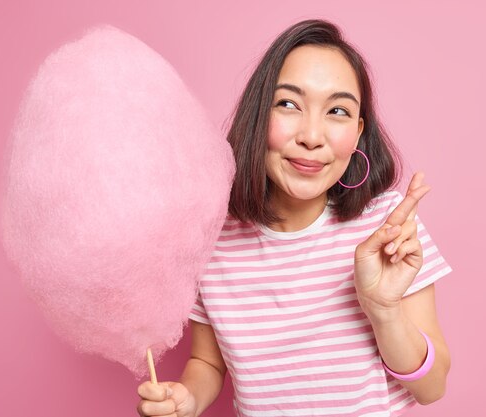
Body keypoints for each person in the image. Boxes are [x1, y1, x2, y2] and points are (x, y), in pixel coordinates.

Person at [137, 19, 452, 417]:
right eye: (288, 104)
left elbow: (432, 387)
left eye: (337, 111)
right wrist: (188, 398)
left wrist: (382, 308)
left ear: (357, 133)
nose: (311, 135)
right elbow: (208, 363)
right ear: (258, 115)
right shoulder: (210, 240)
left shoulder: (386, 228)